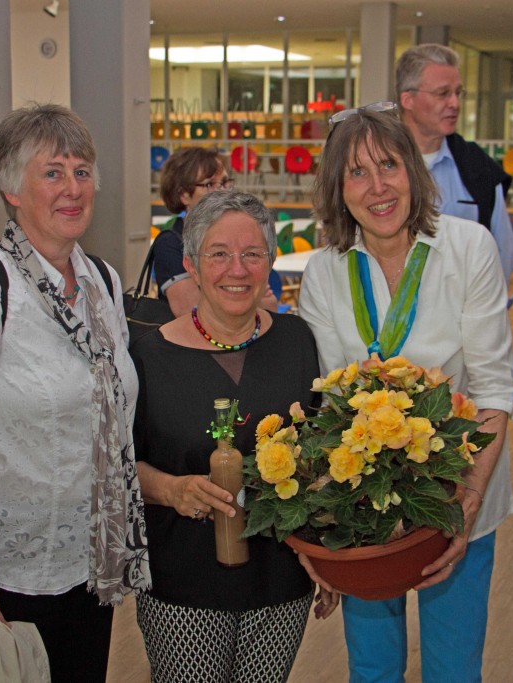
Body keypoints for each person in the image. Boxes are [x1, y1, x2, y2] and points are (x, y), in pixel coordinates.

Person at [0, 103, 151, 682]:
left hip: (86, 566)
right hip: (4, 574)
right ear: (11, 189)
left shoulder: (102, 281)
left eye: (81, 171)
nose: (73, 188)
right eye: (52, 172)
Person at [298, 104, 513, 682]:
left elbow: (495, 390)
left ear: (414, 172)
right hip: (364, 503)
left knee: (453, 668)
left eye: (389, 165)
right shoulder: (324, 271)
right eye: (357, 172)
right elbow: (327, 403)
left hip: (461, 487)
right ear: (336, 188)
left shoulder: (468, 249)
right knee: (372, 668)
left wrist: (466, 503)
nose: (377, 187)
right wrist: (319, 521)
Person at [131, 190, 338, 682]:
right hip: (183, 583)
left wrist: (328, 551)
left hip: (280, 582)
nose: (237, 270)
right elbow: (117, 467)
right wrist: (172, 489)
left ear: (270, 262)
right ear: (191, 265)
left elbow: (320, 459)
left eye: (253, 254)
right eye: (219, 254)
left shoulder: (298, 342)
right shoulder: (147, 359)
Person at [396, 43, 513, 285]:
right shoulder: (375, 165)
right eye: (443, 93)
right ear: (408, 99)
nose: (455, 104)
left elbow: (502, 251)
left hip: (465, 314)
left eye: (458, 93)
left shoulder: (479, 168)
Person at [155, 146, 280, 316]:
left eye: (225, 183)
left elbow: (269, 306)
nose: (222, 191)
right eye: (210, 184)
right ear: (183, 194)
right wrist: (257, 303)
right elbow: (193, 314)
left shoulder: (239, 235)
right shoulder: (171, 244)